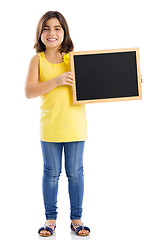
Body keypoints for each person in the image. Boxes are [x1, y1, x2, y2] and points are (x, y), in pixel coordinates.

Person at [25, 11, 90, 237]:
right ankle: (50, 220)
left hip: (75, 125)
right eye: (46, 28)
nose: (51, 33)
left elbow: (98, 82)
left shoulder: (73, 58)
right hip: (51, 126)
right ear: (40, 33)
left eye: (57, 28)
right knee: (51, 174)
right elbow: (29, 91)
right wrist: (57, 80)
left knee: (75, 173)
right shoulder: (38, 60)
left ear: (64, 32)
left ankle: (76, 219)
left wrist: (129, 80)